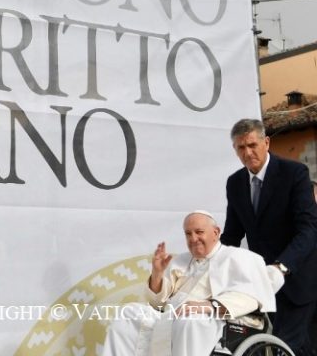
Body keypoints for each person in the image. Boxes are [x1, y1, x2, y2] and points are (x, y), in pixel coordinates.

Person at [101, 211, 277, 356]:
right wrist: (157, 273)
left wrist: (207, 306)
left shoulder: (239, 257)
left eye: (199, 232)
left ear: (216, 232)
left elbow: (252, 295)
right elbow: (157, 302)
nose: (193, 238)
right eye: (188, 233)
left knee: (190, 320)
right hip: (173, 315)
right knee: (128, 313)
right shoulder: (180, 261)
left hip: (216, 318)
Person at [221, 118, 317, 355]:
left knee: (282, 347)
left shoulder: (294, 173)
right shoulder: (235, 183)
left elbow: (308, 228)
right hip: (265, 286)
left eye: (252, 145)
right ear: (235, 149)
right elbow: (232, 235)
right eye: (241, 147)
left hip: (299, 278)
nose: (248, 152)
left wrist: (282, 266)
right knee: (300, 348)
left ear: (266, 142)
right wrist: (208, 262)